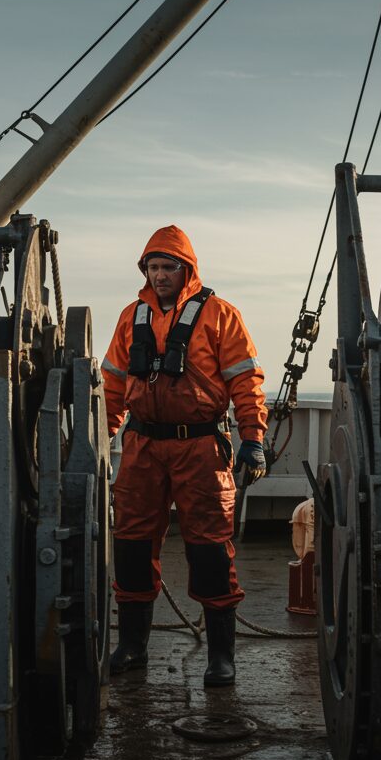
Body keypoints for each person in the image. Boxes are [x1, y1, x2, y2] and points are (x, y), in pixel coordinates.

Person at [101, 226, 268, 687]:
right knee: (132, 546)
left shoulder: (220, 315)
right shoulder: (129, 317)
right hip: (141, 447)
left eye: (167, 267)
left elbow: (245, 381)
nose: (159, 276)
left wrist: (252, 438)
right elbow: (112, 387)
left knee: (211, 549)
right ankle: (132, 646)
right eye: (152, 268)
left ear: (186, 270)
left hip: (201, 449)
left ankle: (221, 657)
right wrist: (97, 441)